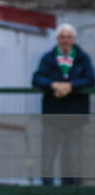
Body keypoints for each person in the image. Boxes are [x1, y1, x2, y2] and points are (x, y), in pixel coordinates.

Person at [32, 23, 94, 186]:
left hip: (75, 115)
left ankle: (71, 190)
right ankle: (48, 188)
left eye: (68, 37)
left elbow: (90, 79)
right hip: (52, 115)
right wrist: (54, 85)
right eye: (62, 37)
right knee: (48, 156)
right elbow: (37, 78)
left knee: (72, 156)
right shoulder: (48, 58)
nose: (65, 40)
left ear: (73, 39)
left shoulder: (82, 58)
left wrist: (70, 86)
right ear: (57, 39)